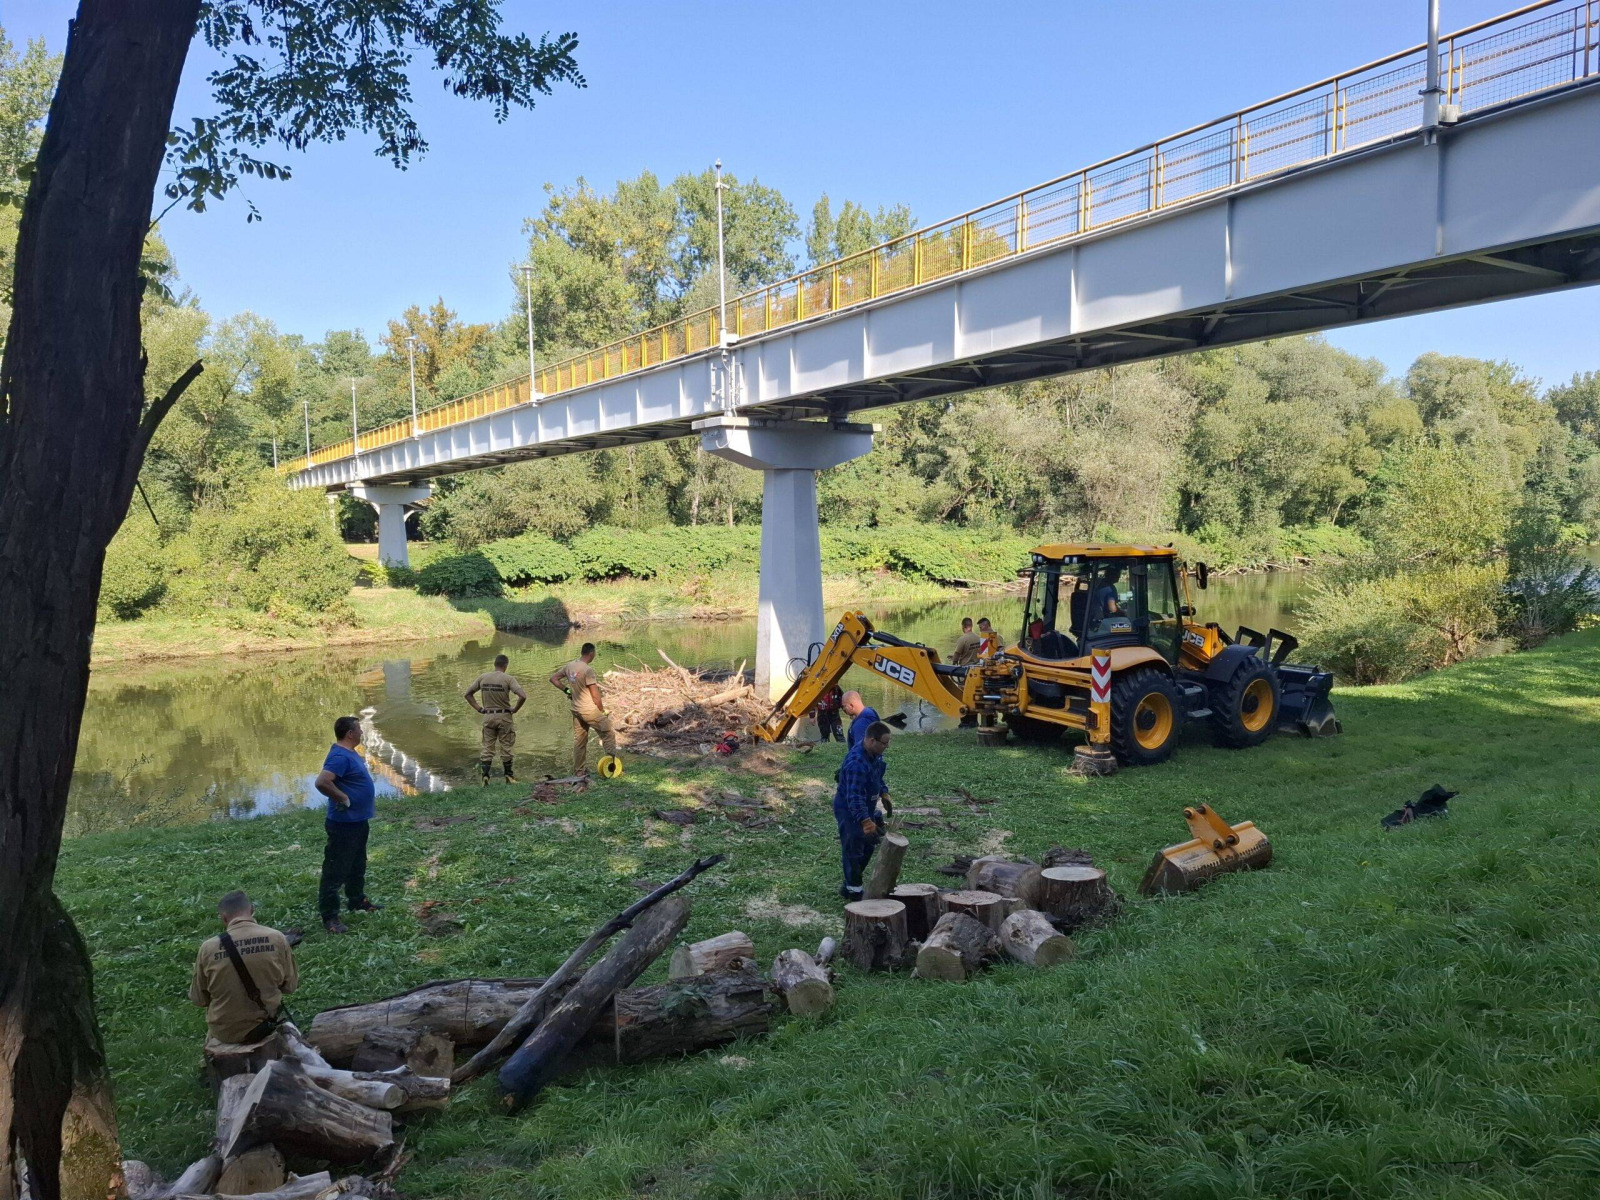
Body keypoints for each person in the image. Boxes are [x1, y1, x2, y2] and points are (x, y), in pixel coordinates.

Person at [189, 890, 299, 1046]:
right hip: (266, 1024)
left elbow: (199, 999)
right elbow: (290, 987)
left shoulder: (208, 948)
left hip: (225, 1033)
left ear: (224, 918)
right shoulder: (277, 938)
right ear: (252, 910)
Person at [314, 715, 382, 935]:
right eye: (359, 730)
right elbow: (322, 781)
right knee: (335, 870)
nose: (362, 733)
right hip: (343, 824)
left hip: (358, 821)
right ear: (350, 733)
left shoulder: (350, 753)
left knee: (357, 864)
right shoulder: (339, 756)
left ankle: (356, 900)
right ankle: (330, 917)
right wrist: (342, 798)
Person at [832, 721, 893, 898]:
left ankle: (851, 883)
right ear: (872, 740)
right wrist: (865, 821)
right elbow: (854, 797)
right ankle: (853, 890)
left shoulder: (874, 755)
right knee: (853, 849)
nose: (886, 746)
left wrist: (884, 792)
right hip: (849, 810)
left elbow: (876, 776)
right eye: (884, 743)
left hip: (866, 806)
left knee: (869, 845)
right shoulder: (856, 763)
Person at [551, 642, 619, 776]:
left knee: (580, 741)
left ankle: (579, 771)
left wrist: (567, 690)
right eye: (594, 654)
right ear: (591, 654)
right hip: (589, 710)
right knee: (608, 732)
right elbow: (596, 696)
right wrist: (602, 711)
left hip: (576, 710)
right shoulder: (588, 670)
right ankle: (612, 767)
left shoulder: (570, 666)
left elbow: (553, 679)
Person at [463, 653, 527, 785]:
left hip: (488, 716)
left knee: (487, 747)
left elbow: (467, 694)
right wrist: (515, 709)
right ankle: (509, 776)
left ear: (495, 664)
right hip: (504, 716)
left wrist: (479, 708)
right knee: (506, 747)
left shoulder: (483, 677)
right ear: (506, 665)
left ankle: (485, 776)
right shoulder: (508, 679)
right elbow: (523, 696)